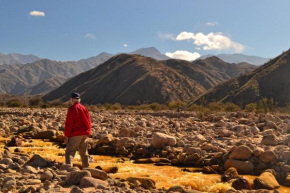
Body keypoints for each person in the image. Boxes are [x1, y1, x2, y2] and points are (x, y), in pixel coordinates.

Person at [64, 92, 91, 168]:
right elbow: (89, 122)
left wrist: (66, 136)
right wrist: (88, 132)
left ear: (72, 100)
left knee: (69, 153)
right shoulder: (84, 108)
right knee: (84, 153)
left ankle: (68, 169)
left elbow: (69, 124)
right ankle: (87, 168)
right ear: (79, 100)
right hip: (84, 133)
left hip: (75, 134)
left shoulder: (72, 109)